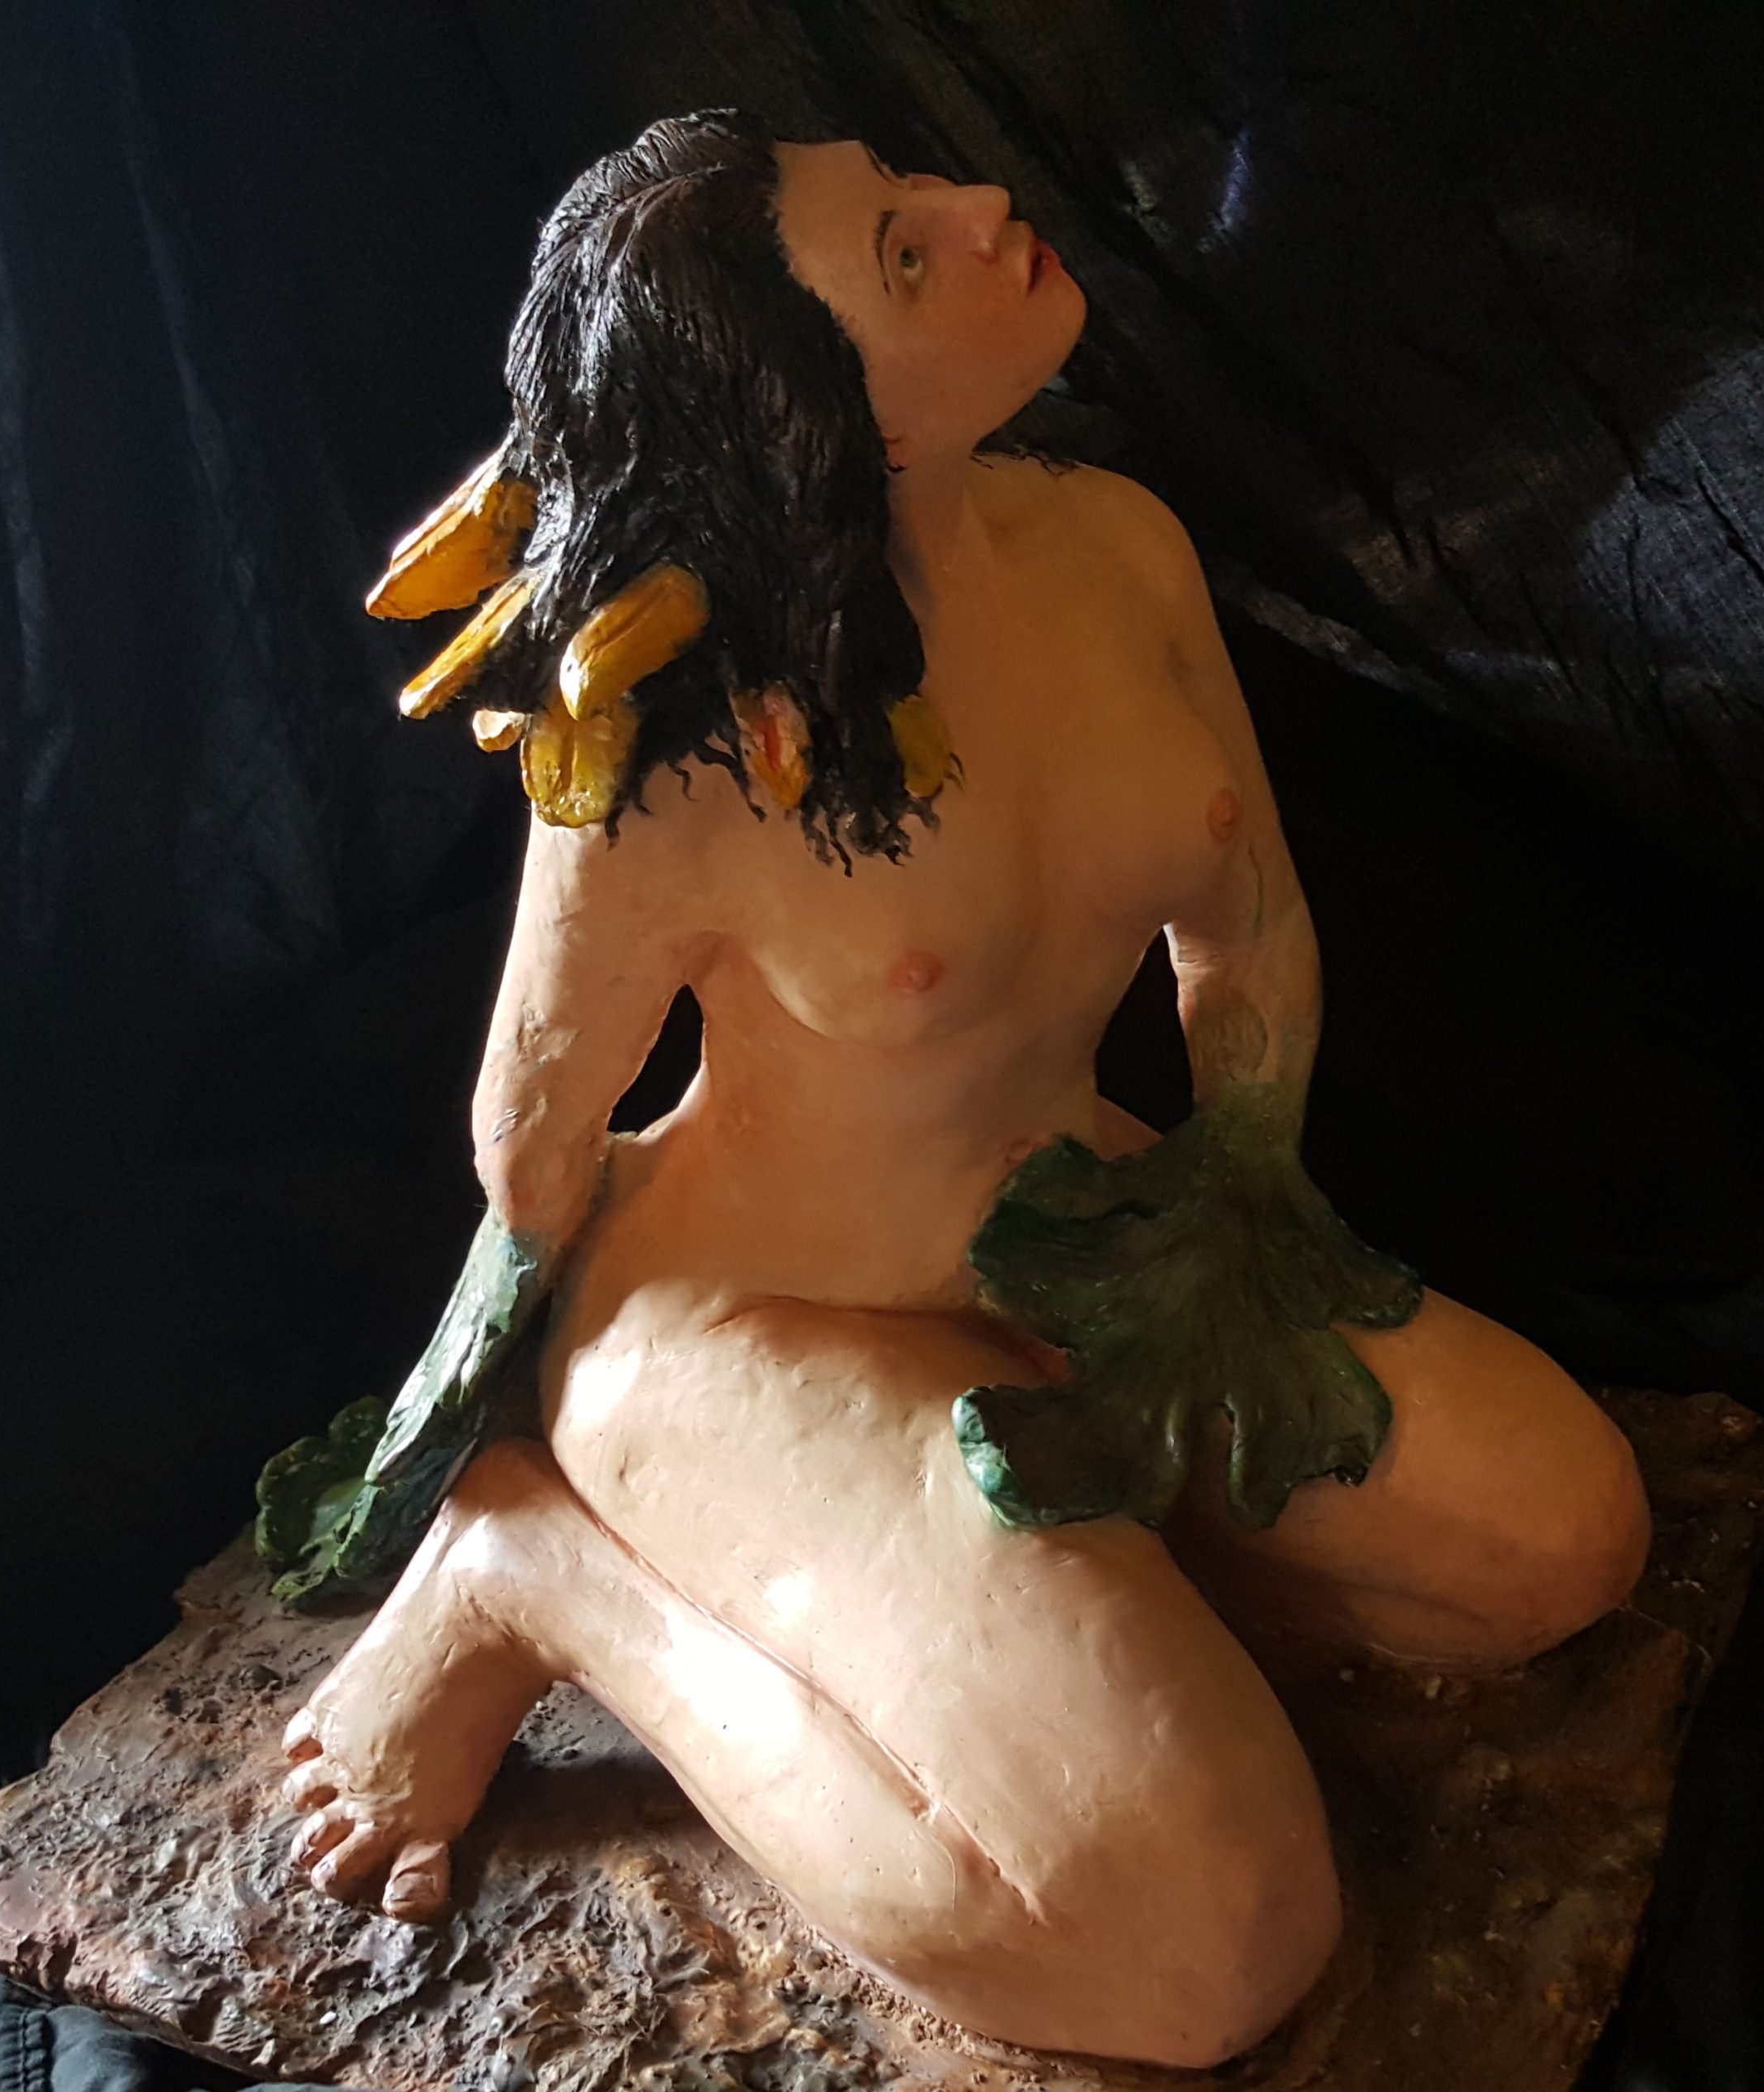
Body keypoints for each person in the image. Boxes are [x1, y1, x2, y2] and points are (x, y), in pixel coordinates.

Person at [271, 111, 1651, 2069]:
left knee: (1561, 1539)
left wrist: (1236, 1197)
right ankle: (542, 1583)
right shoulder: (677, 754)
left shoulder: (1120, 547)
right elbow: (532, 1132)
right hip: (745, 1317)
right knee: (1212, 1942)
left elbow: (1249, 927)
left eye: (911, 190)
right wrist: (462, 1410)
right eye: (904, 253)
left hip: (1064, 1217)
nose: (986, 208)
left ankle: (1060, 1628)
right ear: (822, 427)